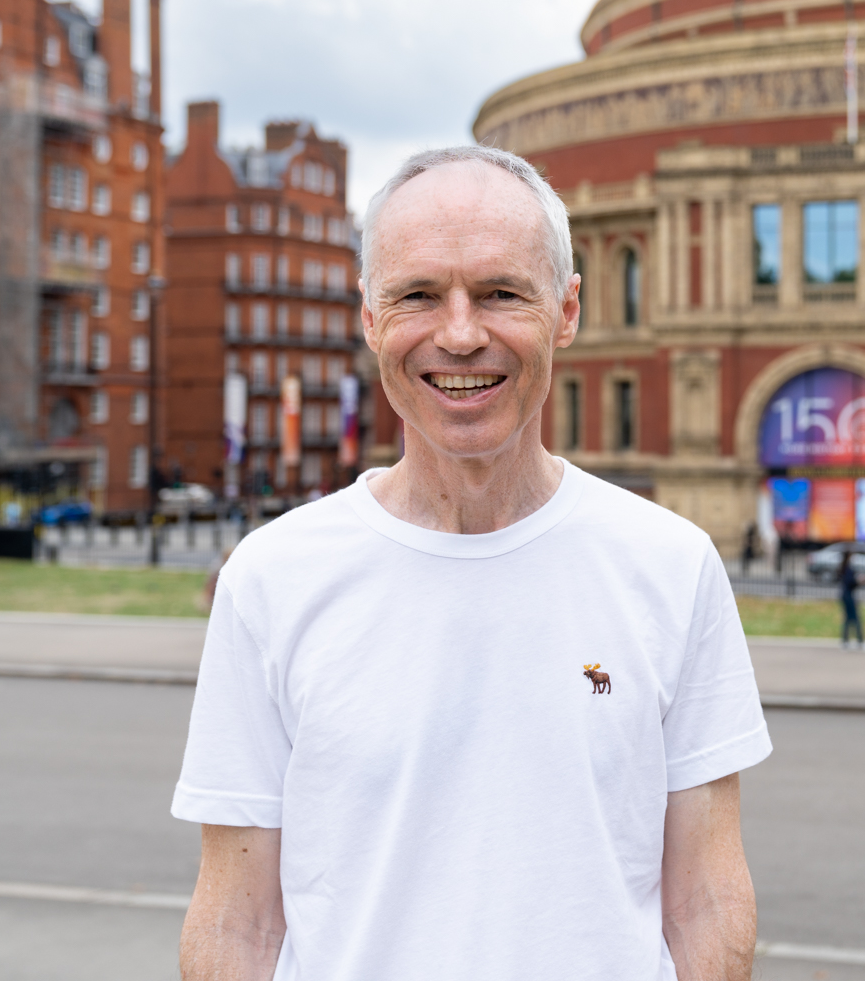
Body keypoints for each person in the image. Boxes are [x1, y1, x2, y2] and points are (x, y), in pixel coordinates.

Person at [173, 146, 771, 981]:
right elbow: (237, 925)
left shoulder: (671, 566)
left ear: (565, 312)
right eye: (418, 295)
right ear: (371, 318)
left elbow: (705, 902)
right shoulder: (272, 579)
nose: (459, 335)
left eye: (500, 294)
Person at [837, 548, 865, 650]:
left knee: (848, 619)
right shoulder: (847, 568)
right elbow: (850, 582)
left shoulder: (845, 567)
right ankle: (860, 641)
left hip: (846, 595)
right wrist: (859, 581)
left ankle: (845, 641)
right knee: (855, 619)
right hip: (848, 596)